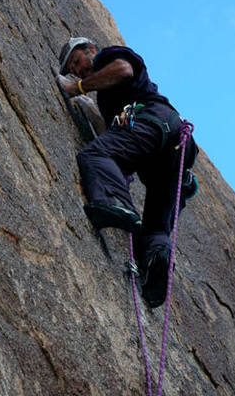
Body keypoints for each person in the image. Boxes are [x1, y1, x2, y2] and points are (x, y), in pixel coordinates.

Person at [56, 37, 198, 307]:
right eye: (73, 70)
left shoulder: (107, 57)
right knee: (156, 228)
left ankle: (115, 203)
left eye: (77, 60)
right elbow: (122, 151)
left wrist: (76, 88)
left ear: (91, 50)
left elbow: (123, 70)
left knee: (96, 154)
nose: (79, 69)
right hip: (170, 150)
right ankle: (156, 266)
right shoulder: (110, 102)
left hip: (154, 122)